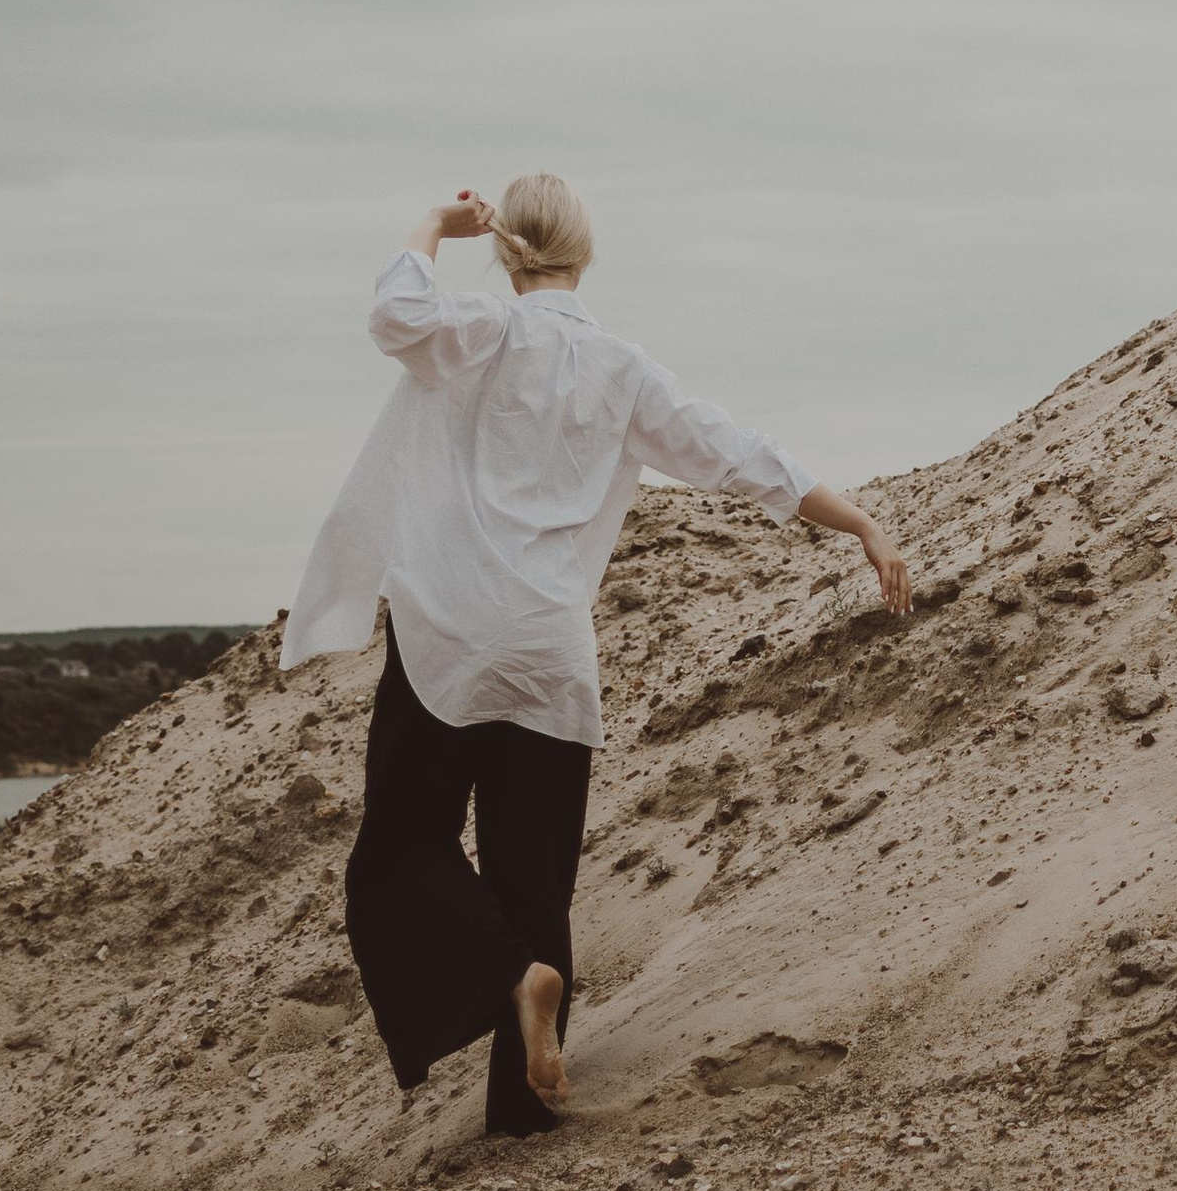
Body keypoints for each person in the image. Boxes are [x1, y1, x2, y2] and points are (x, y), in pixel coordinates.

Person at [282, 173, 909, 1137]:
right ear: (586, 252)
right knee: (535, 883)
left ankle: (507, 978)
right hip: (549, 648)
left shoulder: (481, 332)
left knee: (401, 847)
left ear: (508, 253)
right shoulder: (622, 368)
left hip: (450, 634)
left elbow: (396, 313)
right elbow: (736, 454)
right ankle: (523, 1116)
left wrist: (432, 228)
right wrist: (856, 520)